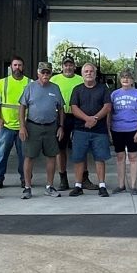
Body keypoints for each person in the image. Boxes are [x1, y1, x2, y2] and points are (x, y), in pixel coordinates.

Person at [18, 62, 65, 198]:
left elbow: (61, 108)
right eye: (43, 72)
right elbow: (22, 107)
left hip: (51, 127)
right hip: (33, 127)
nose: (45, 75)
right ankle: (27, 187)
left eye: (48, 72)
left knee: (51, 156)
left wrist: (61, 126)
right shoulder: (30, 88)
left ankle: (49, 187)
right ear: (38, 73)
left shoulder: (55, 88)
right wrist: (22, 127)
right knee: (29, 156)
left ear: (51, 74)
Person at [66, 62, 113, 197]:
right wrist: (87, 119)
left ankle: (102, 186)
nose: (89, 74)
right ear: (82, 74)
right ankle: (78, 186)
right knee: (79, 158)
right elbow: (74, 108)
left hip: (99, 130)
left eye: (91, 71)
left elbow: (107, 106)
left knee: (100, 157)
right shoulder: (77, 89)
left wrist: (95, 119)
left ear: (95, 73)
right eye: (86, 72)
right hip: (80, 129)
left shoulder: (103, 89)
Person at [108, 69, 137, 195]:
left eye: (128, 77)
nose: (126, 79)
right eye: (123, 77)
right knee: (120, 157)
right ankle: (121, 185)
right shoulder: (114, 94)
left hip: (133, 129)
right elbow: (109, 112)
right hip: (117, 129)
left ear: (132, 80)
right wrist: (108, 129)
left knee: (133, 157)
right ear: (120, 79)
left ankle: (133, 186)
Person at [0, 56, 29, 189]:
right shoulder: (2, 83)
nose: (17, 67)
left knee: (24, 156)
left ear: (23, 67)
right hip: (6, 125)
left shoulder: (30, 83)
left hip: (23, 127)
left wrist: (26, 123)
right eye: (15, 65)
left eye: (19, 65)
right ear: (11, 67)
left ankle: (25, 179)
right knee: (1, 154)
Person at [52, 54, 84, 189]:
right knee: (60, 148)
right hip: (61, 117)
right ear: (62, 67)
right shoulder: (54, 79)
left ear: (74, 67)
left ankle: (84, 178)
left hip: (78, 116)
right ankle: (63, 178)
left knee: (81, 147)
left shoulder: (81, 79)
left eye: (70, 65)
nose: (68, 67)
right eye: (66, 65)